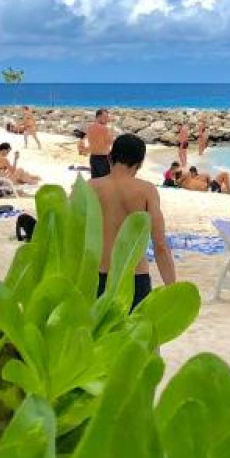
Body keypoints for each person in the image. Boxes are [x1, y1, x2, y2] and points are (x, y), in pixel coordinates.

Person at [90, 133, 175, 308]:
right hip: (135, 279)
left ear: (110, 157)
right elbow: (160, 245)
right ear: (140, 163)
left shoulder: (89, 187)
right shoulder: (146, 191)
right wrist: (172, 289)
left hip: (95, 278)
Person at [80, 108, 115, 179]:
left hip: (93, 158)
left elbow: (90, 144)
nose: (107, 119)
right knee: (105, 181)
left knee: (95, 181)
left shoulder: (90, 128)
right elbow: (110, 142)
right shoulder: (105, 129)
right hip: (103, 159)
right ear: (99, 117)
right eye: (105, 117)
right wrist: (112, 129)